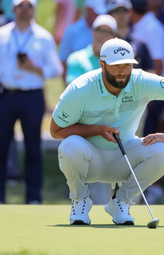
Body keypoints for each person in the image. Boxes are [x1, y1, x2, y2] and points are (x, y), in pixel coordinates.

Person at [50, 38, 164, 225]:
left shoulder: (140, 80)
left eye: (127, 65)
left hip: (125, 157)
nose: (122, 71)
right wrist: (96, 130)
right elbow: (56, 130)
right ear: (102, 64)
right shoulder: (80, 88)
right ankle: (80, 201)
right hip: (88, 159)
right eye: (116, 65)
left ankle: (121, 201)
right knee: (70, 145)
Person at [0, 0, 63, 204]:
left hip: (32, 96)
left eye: (29, 6)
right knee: (1, 147)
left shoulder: (43, 37)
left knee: (33, 148)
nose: (25, 9)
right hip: (6, 95)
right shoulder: (3, 34)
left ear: (33, 9)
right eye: (21, 6)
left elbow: (56, 69)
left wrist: (35, 68)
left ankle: (33, 198)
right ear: (14, 9)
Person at [66, 15, 117, 204]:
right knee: (82, 170)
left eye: (107, 31)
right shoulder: (77, 58)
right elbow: (74, 92)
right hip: (83, 123)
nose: (102, 35)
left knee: (107, 176)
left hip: (110, 123)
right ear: (92, 32)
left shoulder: (117, 64)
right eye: (99, 30)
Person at [59, 0, 107, 82]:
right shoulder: (71, 31)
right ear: (88, 9)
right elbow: (63, 62)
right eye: (96, 12)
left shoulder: (107, 29)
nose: (99, 16)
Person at [106, 0, 154, 72]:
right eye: (117, 11)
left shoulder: (140, 43)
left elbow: (150, 71)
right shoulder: (106, 43)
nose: (121, 14)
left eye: (124, 10)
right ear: (110, 14)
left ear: (130, 13)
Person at [130, 0, 164, 77]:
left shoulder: (151, 27)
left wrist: (155, 87)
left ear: (131, 11)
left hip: (156, 85)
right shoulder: (142, 24)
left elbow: (158, 62)